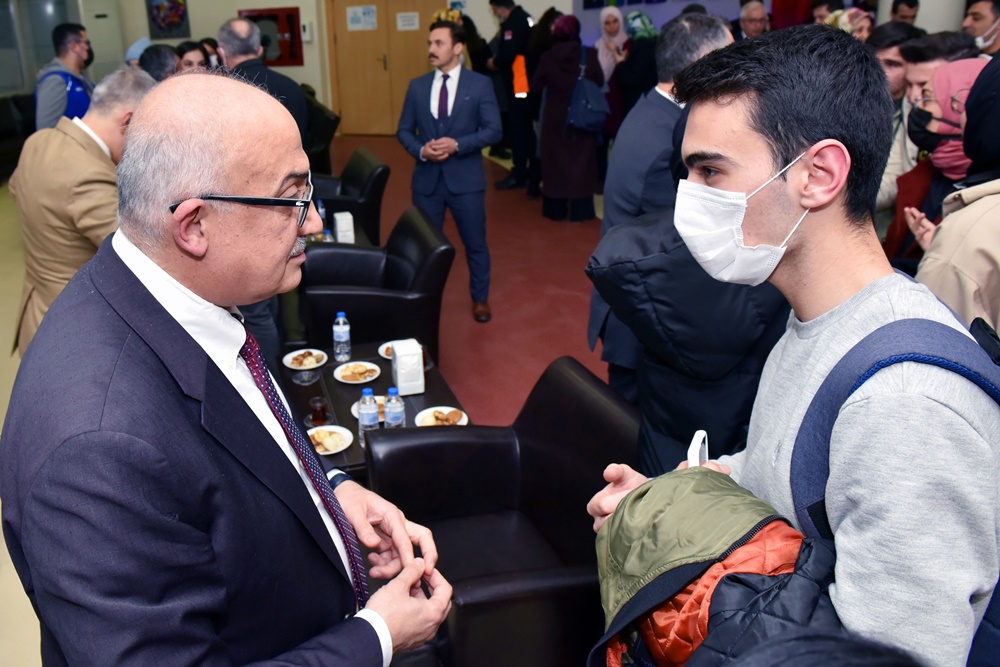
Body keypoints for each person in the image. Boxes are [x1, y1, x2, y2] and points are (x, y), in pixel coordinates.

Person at [1, 70, 452, 665]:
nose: (313, 222)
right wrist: (378, 636)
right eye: (292, 200)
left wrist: (333, 491)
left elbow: (246, 437)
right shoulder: (99, 448)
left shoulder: (175, 295)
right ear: (194, 226)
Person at [588, 25, 1000, 667]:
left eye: (710, 171)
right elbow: (785, 483)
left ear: (819, 174)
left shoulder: (905, 406)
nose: (689, 197)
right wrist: (666, 507)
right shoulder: (817, 320)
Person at [588, 12, 732, 404]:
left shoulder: (653, 109)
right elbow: (681, 245)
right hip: (640, 321)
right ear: (704, 64)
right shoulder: (671, 140)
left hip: (630, 306)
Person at [10, 67, 156, 357]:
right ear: (128, 121)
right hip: (71, 323)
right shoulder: (89, 175)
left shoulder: (38, 141)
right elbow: (140, 258)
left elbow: (17, 188)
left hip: (37, 308)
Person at [218, 17, 310, 363]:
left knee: (256, 307)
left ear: (221, 52)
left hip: (249, 214)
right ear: (259, 48)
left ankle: (271, 377)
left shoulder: (225, 98)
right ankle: (293, 342)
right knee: (286, 278)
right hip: (295, 204)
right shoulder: (291, 87)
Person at [397, 20, 502, 323]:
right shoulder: (417, 86)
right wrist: (421, 150)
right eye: (430, 43)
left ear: (457, 48)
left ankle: (480, 298)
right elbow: (404, 130)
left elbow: (494, 130)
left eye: (439, 43)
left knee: (475, 243)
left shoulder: (479, 85)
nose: (431, 49)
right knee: (424, 245)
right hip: (426, 181)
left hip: (466, 182)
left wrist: (458, 144)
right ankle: (423, 300)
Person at [910, 56, 1000, 329]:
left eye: (927, 98)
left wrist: (951, 252)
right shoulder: (925, 176)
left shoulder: (971, 229)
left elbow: (928, 337)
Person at [531, 14, 603, 223]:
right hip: (583, 115)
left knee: (555, 164)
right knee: (582, 162)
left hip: (555, 117)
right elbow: (599, 80)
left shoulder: (548, 56)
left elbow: (536, 86)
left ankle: (556, 210)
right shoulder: (589, 54)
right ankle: (581, 211)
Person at [907, 58, 987, 222]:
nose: (918, 106)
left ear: (963, 107)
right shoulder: (928, 174)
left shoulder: (987, 194)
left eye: (927, 99)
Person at [869, 21, 924, 238]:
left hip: (881, 230)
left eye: (892, 64)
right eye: (874, 60)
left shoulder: (915, 113)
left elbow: (896, 178)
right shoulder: (850, 97)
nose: (880, 71)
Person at [488, 0, 533, 190]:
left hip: (519, 84)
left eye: (493, 9)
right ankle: (530, 169)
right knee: (527, 129)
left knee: (518, 128)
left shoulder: (513, 23)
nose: (494, 14)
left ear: (499, 7)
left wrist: (495, 62)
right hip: (527, 82)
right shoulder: (526, 18)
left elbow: (508, 53)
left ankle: (519, 172)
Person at [35, 23, 95, 131]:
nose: (88, 48)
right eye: (86, 43)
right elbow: (46, 130)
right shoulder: (55, 81)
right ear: (74, 46)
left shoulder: (80, 80)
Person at [612, 11, 659, 116]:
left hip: (638, 104)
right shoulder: (656, 43)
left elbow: (632, 78)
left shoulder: (642, 46)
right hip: (652, 101)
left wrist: (620, 63)